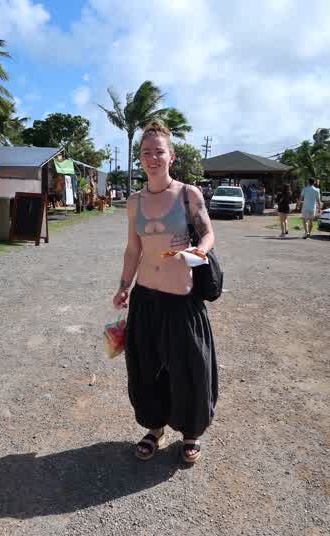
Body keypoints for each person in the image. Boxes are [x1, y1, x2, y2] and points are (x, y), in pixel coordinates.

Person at [113, 120, 218, 464]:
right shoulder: (134, 201)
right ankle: (154, 427)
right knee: (146, 368)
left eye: (159, 151)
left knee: (189, 367)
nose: (152, 157)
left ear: (171, 155)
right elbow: (133, 249)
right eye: (146, 152)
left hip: (181, 298)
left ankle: (190, 432)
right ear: (140, 158)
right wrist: (124, 286)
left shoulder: (188, 194)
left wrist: (200, 250)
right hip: (146, 297)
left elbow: (208, 233)